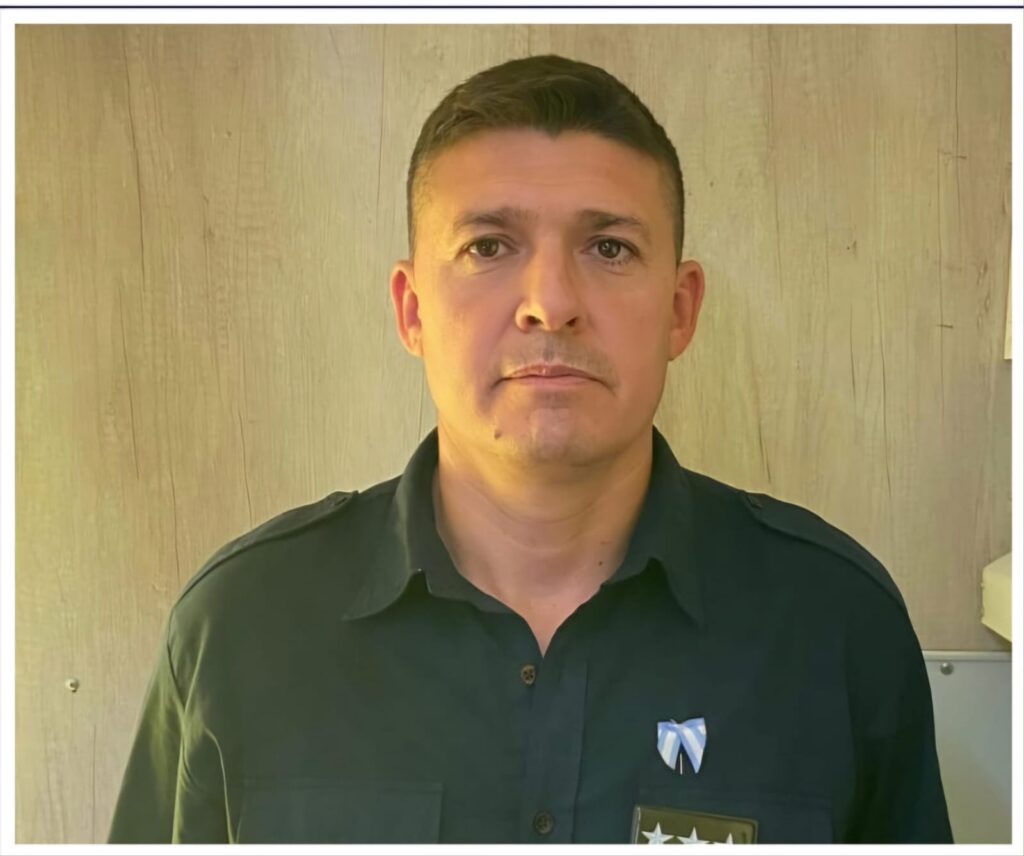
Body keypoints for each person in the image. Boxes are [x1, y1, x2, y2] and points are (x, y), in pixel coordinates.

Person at [108, 54, 952, 844]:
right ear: (412, 310)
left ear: (680, 310)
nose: (551, 302)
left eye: (609, 247)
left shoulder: (835, 631)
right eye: (488, 246)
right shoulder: (241, 631)